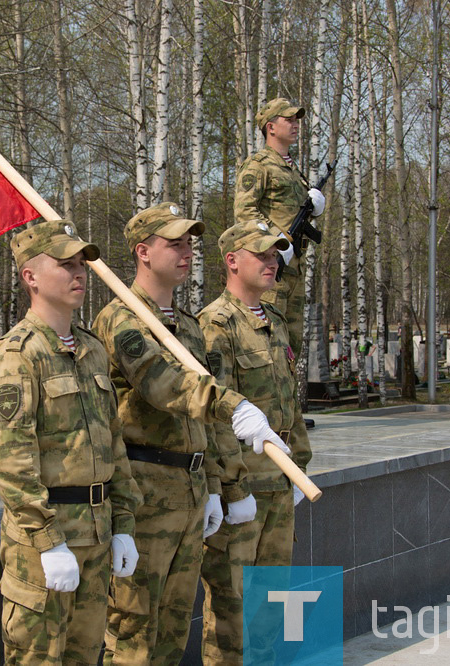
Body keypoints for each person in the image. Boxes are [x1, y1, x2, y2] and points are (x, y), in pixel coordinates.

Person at [92, 203, 289, 665]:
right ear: (143, 252)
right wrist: (234, 403)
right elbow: (164, 386)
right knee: (135, 634)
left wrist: (217, 487)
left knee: (173, 633)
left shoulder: (188, 326)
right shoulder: (123, 319)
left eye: (190, 243)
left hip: (189, 490)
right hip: (144, 494)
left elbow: (204, 422)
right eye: (175, 243)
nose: (187, 252)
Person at [0, 219, 142, 665]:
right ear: (30, 276)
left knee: (85, 656)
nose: (79, 274)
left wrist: (124, 523)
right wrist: (48, 540)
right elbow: (10, 461)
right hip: (44, 543)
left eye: (82, 265)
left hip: (96, 532)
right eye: (65, 264)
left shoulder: (92, 349)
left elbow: (115, 446)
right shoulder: (19, 354)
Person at [197, 221, 313, 664]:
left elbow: (289, 402)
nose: (272, 262)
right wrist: (230, 486)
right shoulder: (215, 324)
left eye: (276, 254)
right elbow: (215, 413)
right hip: (244, 487)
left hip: (280, 484)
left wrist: (299, 465)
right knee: (233, 611)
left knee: (271, 605)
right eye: (262, 254)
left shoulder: (275, 320)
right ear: (232, 261)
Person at [233, 97, 327, 356]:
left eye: (297, 120)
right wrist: (277, 240)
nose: (295, 124)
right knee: (268, 342)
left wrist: (315, 208)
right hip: (271, 267)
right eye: (289, 119)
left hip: (295, 266)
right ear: (271, 127)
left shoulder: (293, 170)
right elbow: (244, 212)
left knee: (291, 346)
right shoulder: (259, 165)